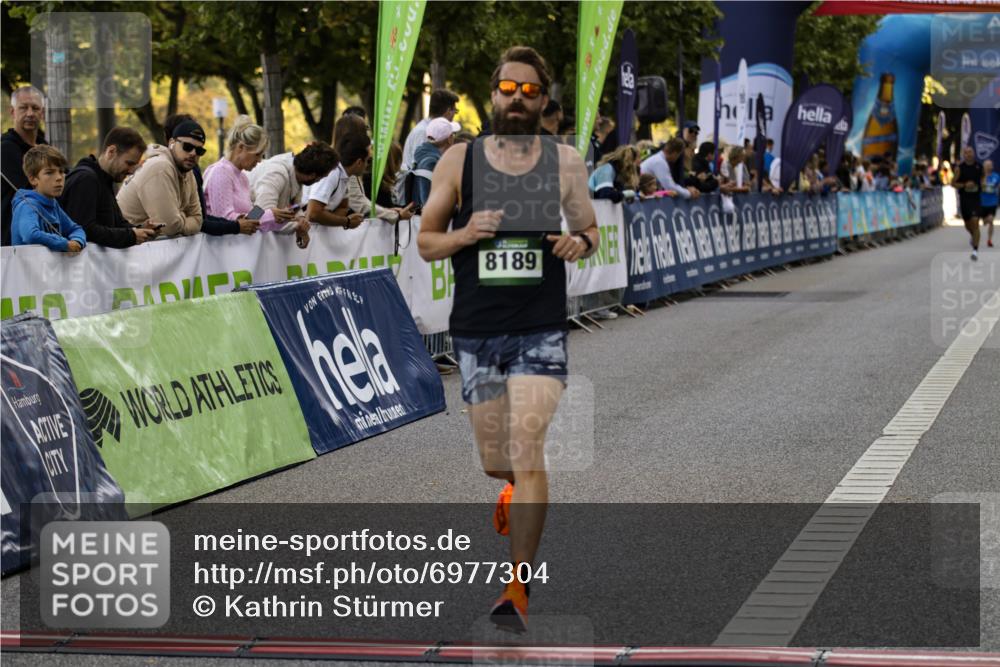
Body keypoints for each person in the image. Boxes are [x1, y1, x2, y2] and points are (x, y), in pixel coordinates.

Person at [417, 45, 598, 634]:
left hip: (539, 326)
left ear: (543, 100)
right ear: (491, 93)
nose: (517, 98)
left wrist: (581, 243)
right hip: (476, 329)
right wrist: (466, 232)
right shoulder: (459, 163)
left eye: (528, 91)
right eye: (507, 88)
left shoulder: (565, 162)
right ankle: (513, 494)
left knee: (527, 447)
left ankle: (517, 586)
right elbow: (426, 242)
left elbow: (589, 228)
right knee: (497, 460)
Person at [59, 126, 158, 248]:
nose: (131, 171)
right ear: (111, 152)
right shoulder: (86, 179)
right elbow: (84, 230)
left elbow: (115, 224)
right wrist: (131, 235)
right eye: (129, 163)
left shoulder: (104, 180)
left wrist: (140, 229)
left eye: (135, 166)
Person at [203, 115, 295, 238]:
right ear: (241, 147)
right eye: (257, 154)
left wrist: (279, 218)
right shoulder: (220, 171)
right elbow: (224, 220)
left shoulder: (243, 177)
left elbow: (250, 218)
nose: (259, 161)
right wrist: (270, 214)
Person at [117, 119, 205, 236]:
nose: (193, 153)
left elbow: (198, 220)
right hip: (124, 247)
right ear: (171, 143)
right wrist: (183, 216)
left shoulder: (188, 173)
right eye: (187, 147)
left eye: (199, 151)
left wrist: (178, 218)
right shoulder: (160, 168)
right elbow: (170, 227)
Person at [249, 141, 340, 242]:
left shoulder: (297, 174)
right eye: (322, 177)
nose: (320, 181)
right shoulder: (276, 174)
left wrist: (301, 221)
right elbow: (258, 214)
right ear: (313, 175)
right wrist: (296, 227)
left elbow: (295, 208)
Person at [11, 145, 86, 253]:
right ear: (33, 179)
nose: (59, 178)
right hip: (27, 269)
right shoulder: (26, 205)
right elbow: (30, 234)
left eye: (61, 171)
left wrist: (77, 241)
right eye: (49, 172)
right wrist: (64, 244)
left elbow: (76, 229)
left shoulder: (53, 204)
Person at [2, 86, 48, 246]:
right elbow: (32, 190)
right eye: (23, 108)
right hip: (13, 241)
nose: (30, 113)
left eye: (35, 108)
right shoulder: (6, 148)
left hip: (45, 235)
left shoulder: (45, 147)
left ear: (42, 113)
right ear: (13, 112)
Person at [402, 89, 459, 170]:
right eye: (455, 111)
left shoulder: (426, 129)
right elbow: (420, 169)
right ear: (448, 111)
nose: (454, 116)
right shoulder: (423, 132)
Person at [412, 117, 459, 209]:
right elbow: (431, 205)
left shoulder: (424, 158)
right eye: (454, 134)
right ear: (449, 139)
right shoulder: (432, 163)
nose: (454, 138)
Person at [953, 146, 983, 260]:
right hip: (965, 199)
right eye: (966, 153)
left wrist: (983, 184)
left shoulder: (979, 167)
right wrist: (965, 185)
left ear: (973, 153)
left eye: (970, 152)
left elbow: (983, 178)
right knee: (968, 225)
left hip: (976, 198)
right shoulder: (959, 168)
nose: (968, 154)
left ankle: (975, 250)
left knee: (975, 222)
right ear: (963, 155)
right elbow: (953, 183)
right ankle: (973, 235)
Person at [981, 159, 997, 248]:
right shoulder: (981, 176)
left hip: (992, 202)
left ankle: (989, 240)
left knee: (991, 220)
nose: (989, 167)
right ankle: (984, 221)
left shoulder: (996, 176)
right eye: (987, 165)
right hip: (982, 202)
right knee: (984, 222)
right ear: (984, 167)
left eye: (990, 165)